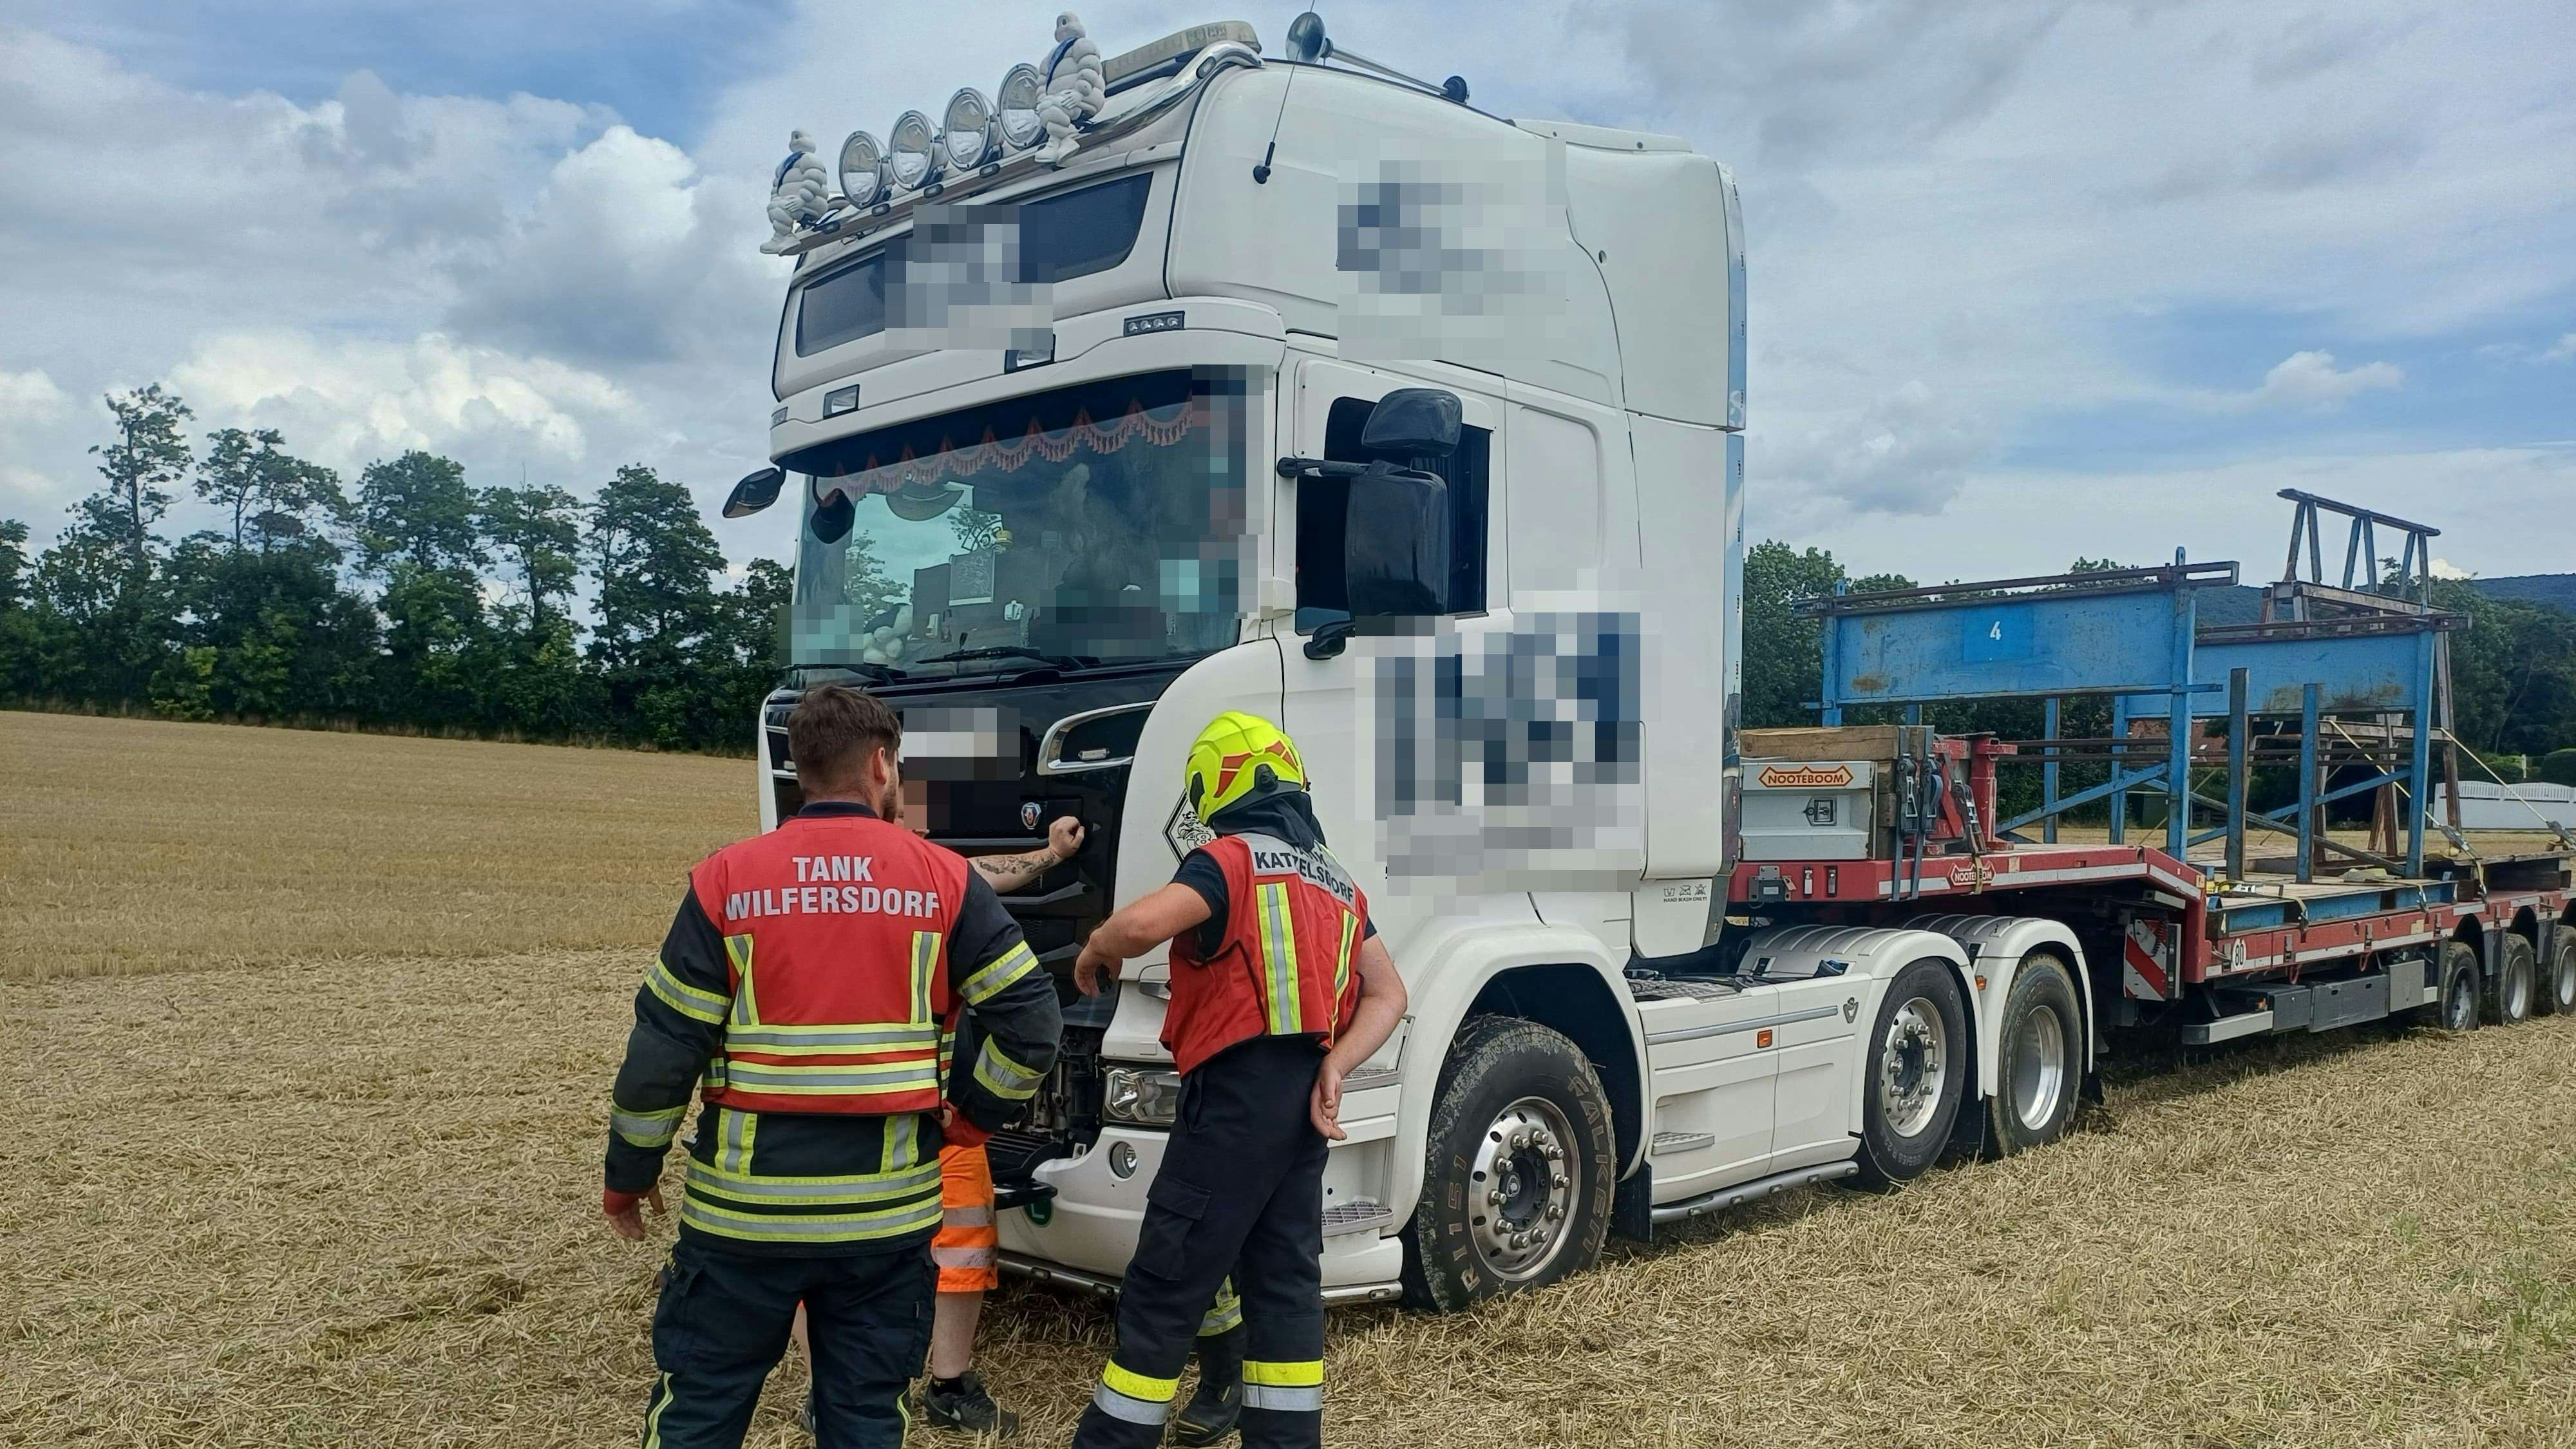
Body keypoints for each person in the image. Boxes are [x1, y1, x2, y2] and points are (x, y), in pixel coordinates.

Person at [601, 684, 1063, 1449]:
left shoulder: (726, 880)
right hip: (885, 1222)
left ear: (799, 767)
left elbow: (662, 1049)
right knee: (865, 1418)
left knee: (698, 1408)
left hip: (741, 1216)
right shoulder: (942, 880)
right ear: (881, 765)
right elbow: (1032, 1022)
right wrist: (973, 1119)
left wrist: (629, 1172)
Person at [1067, 711, 1408, 1449]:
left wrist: (1096, 946)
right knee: (1283, 1285)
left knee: (1168, 1281)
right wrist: (1336, 1065)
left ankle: (1112, 1440)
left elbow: (1137, 930)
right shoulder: (1339, 883)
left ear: (1211, 787)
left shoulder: (1227, 859)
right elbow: (1389, 995)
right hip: (1300, 1111)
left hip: (1230, 1104)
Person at [791, 816, 1088, 1437]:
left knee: (955, 1237)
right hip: (883, 1107)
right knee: (817, 1249)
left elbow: (978, 876)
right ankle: (840, 1388)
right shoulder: (914, 876)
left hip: (903, 1110)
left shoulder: (902, 874)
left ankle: (943, 1384)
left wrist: (1050, 854)